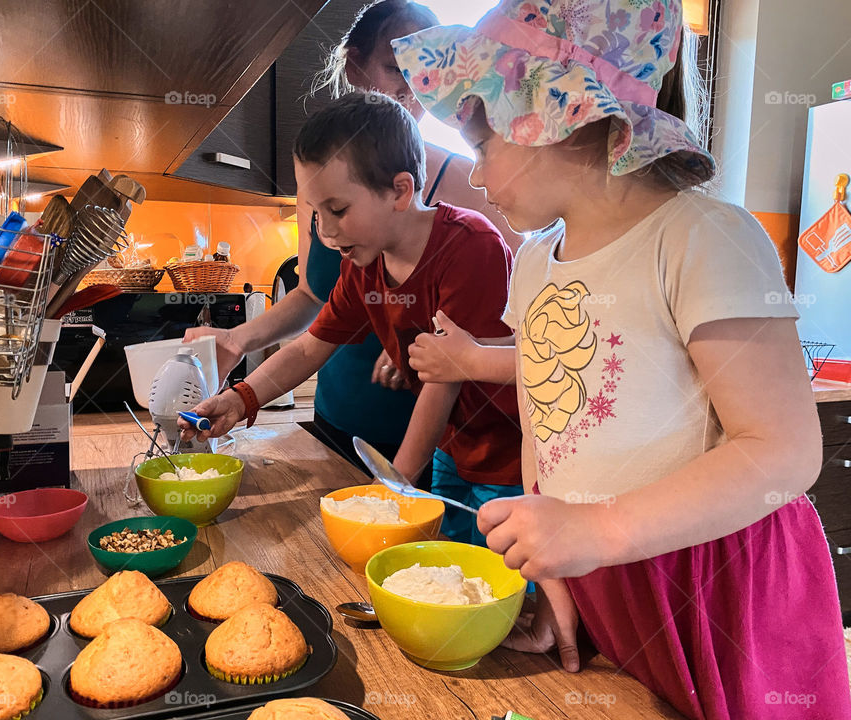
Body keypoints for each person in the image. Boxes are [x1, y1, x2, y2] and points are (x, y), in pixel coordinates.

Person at [396, 1, 851, 718]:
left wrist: (599, 529)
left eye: (484, 144)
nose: (475, 175)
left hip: (714, 579)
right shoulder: (535, 262)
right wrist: (557, 563)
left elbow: (785, 451)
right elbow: (547, 420)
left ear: (565, 115)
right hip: (609, 576)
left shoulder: (705, 237)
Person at [185, 1, 522, 482]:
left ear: (401, 191)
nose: (324, 231)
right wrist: (241, 400)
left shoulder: (472, 243)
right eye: (317, 213)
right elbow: (309, 346)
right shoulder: (364, 260)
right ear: (355, 63)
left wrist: (394, 488)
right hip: (442, 447)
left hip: (502, 458)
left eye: (337, 212)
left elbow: (444, 382)